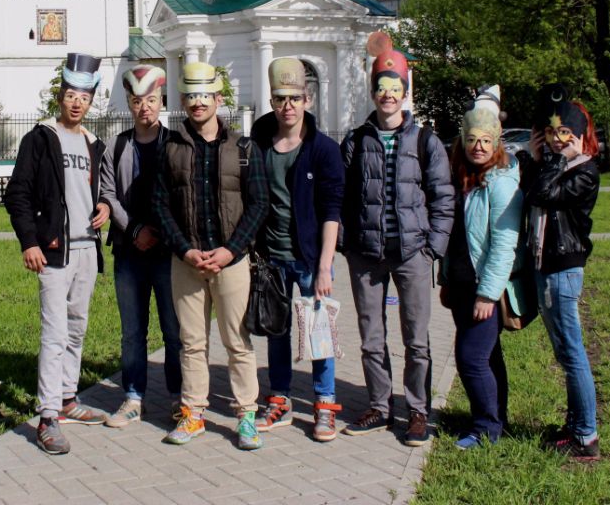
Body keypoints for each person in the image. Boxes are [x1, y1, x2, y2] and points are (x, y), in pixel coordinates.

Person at [340, 34, 454, 446]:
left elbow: (443, 197)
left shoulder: (426, 141)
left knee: (417, 339)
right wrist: (346, 245)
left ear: (405, 94)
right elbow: (342, 197)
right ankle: (379, 406)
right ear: (373, 92)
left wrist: (432, 248)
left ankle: (418, 411)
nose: (388, 96)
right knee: (371, 338)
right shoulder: (355, 140)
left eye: (395, 89)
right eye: (381, 89)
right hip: (366, 256)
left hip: (412, 255)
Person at [152, 62, 269, 450]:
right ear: (183, 101)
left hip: (230, 262)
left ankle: (247, 416)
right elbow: (160, 204)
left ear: (219, 100)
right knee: (192, 342)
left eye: (206, 96)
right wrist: (184, 249)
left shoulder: (244, 148)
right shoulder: (169, 147)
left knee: (237, 342)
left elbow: (258, 204)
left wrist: (231, 251)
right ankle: (193, 414)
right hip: (186, 263)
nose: (198, 103)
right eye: (191, 96)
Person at [4, 53, 110, 455]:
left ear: (91, 99)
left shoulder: (93, 143)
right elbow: (18, 194)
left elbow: (94, 194)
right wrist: (29, 241)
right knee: (55, 332)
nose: (76, 102)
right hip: (53, 251)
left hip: (87, 250)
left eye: (83, 96)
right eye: (70, 94)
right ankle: (47, 416)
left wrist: (103, 207)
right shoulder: (40, 138)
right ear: (60, 96)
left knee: (78, 326)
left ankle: (67, 398)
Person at [250, 57, 345, 442]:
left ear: (307, 99)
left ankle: (324, 404)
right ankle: (280, 398)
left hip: (309, 259)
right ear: (271, 101)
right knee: (277, 331)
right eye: (279, 98)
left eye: (294, 97)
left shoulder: (323, 149)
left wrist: (325, 266)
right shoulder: (259, 141)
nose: (287, 105)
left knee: (319, 332)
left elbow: (332, 210)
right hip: (273, 256)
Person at [438, 85, 524, 448]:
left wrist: (489, 293)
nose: (479, 147)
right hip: (459, 280)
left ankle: (486, 428)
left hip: (482, 286)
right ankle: (495, 419)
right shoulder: (460, 175)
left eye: (486, 141)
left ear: (497, 143)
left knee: (471, 358)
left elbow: (504, 244)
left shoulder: (501, 181)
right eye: (473, 139)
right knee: (489, 356)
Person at [99, 64, 182, 428]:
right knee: (133, 331)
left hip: (167, 255)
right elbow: (107, 194)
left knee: (174, 330)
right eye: (137, 101)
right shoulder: (117, 146)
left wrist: (162, 234)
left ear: (161, 101)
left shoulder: (177, 145)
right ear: (129, 104)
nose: (144, 107)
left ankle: (180, 398)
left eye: (150, 100)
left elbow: (184, 196)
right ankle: (134, 397)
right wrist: (134, 231)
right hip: (130, 254)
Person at [526, 83, 601, 461]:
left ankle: (586, 435)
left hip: (563, 269)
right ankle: (574, 424)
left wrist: (551, 162)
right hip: (547, 265)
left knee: (572, 353)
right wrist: (540, 160)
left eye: (564, 134)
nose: (556, 141)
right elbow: (531, 192)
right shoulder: (552, 166)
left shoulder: (584, 171)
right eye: (551, 133)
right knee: (564, 352)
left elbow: (542, 196)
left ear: (580, 136)